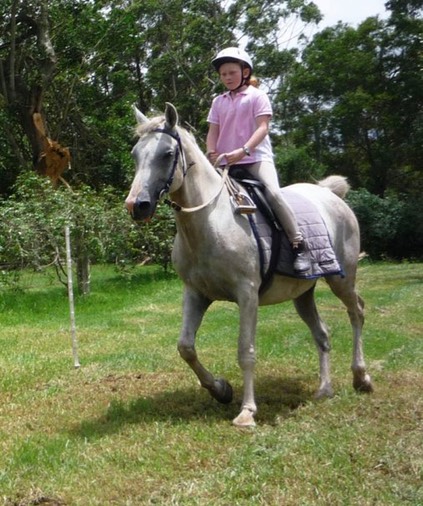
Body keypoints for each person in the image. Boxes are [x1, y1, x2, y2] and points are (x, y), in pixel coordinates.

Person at [206, 47, 311, 273]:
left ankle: (298, 243)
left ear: (245, 72)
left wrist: (243, 151)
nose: (227, 78)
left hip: (255, 159)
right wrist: (211, 151)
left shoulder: (257, 96)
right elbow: (213, 131)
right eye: (223, 74)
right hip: (225, 163)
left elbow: (263, 128)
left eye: (232, 72)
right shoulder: (218, 101)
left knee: (273, 193)